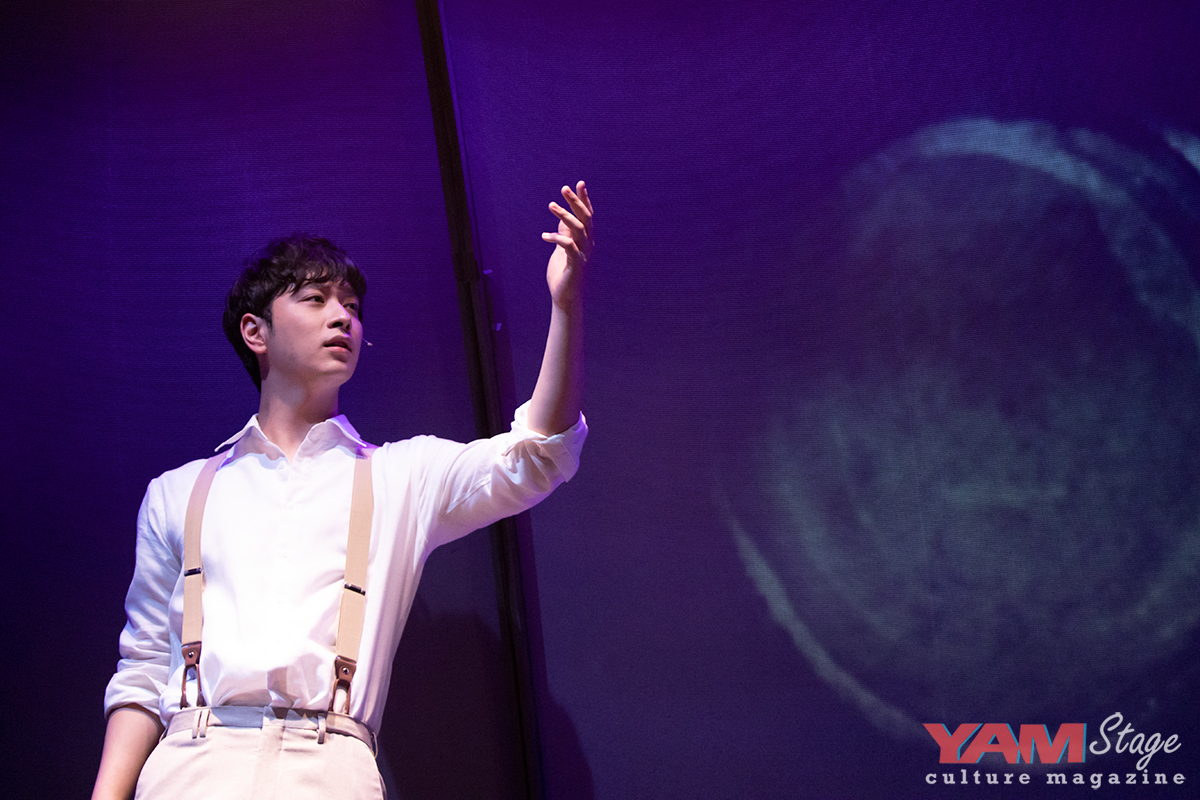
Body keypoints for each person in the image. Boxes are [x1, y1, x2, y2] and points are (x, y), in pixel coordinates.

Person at [91, 182, 594, 800]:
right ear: (255, 331)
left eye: (352, 306)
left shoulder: (400, 475)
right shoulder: (178, 493)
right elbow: (144, 669)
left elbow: (538, 456)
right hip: (193, 763)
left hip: (330, 765)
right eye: (315, 299)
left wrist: (566, 304)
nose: (343, 317)